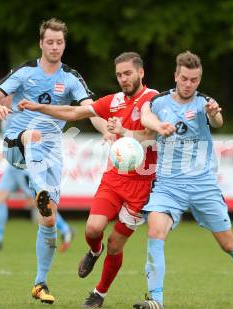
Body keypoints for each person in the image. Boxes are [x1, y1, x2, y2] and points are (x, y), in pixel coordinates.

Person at [18, 52, 159, 308]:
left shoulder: (154, 100)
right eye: (119, 75)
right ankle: (95, 251)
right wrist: (40, 107)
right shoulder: (114, 101)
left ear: (141, 73)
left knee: (115, 245)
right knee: (93, 229)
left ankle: (99, 294)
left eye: (128, 73)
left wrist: (123, 131)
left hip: (141, 187)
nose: (123, 79)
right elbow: (75, 112)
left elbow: (151, 133)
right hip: (114, 179)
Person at [0, 17, 103, 305]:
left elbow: (91, 110)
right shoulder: (26, 71)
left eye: (59, 42)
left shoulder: (71, 78)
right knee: (34, 134)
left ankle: (40, 282)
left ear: (64, 44)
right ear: (41, 43)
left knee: (48, 219)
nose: (54, 46)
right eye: (49, 41)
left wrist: (108, 130)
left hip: (50, 152)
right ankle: (39, 190)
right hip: (18, 142)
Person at [131, 51, 233, 309]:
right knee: (155, 231)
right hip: (169, 186)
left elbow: (218, 120)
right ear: (176, 76)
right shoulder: (159, 102)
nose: (188, 84)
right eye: (184, 78)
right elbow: (145, 116)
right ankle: (155, 300)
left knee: (228, 244)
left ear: (199, 80)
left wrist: (214, 113)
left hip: (203, 186)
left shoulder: (205, 103)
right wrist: (159, 127)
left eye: (193, 80)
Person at [0, 117, 75, 253]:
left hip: (24, 165)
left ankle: (65, 229)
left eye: (5, 96)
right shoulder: (4, 113)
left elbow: (29, 139)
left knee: (40, 203)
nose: (2, 97)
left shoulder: (19, 112)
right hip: (12, 168)